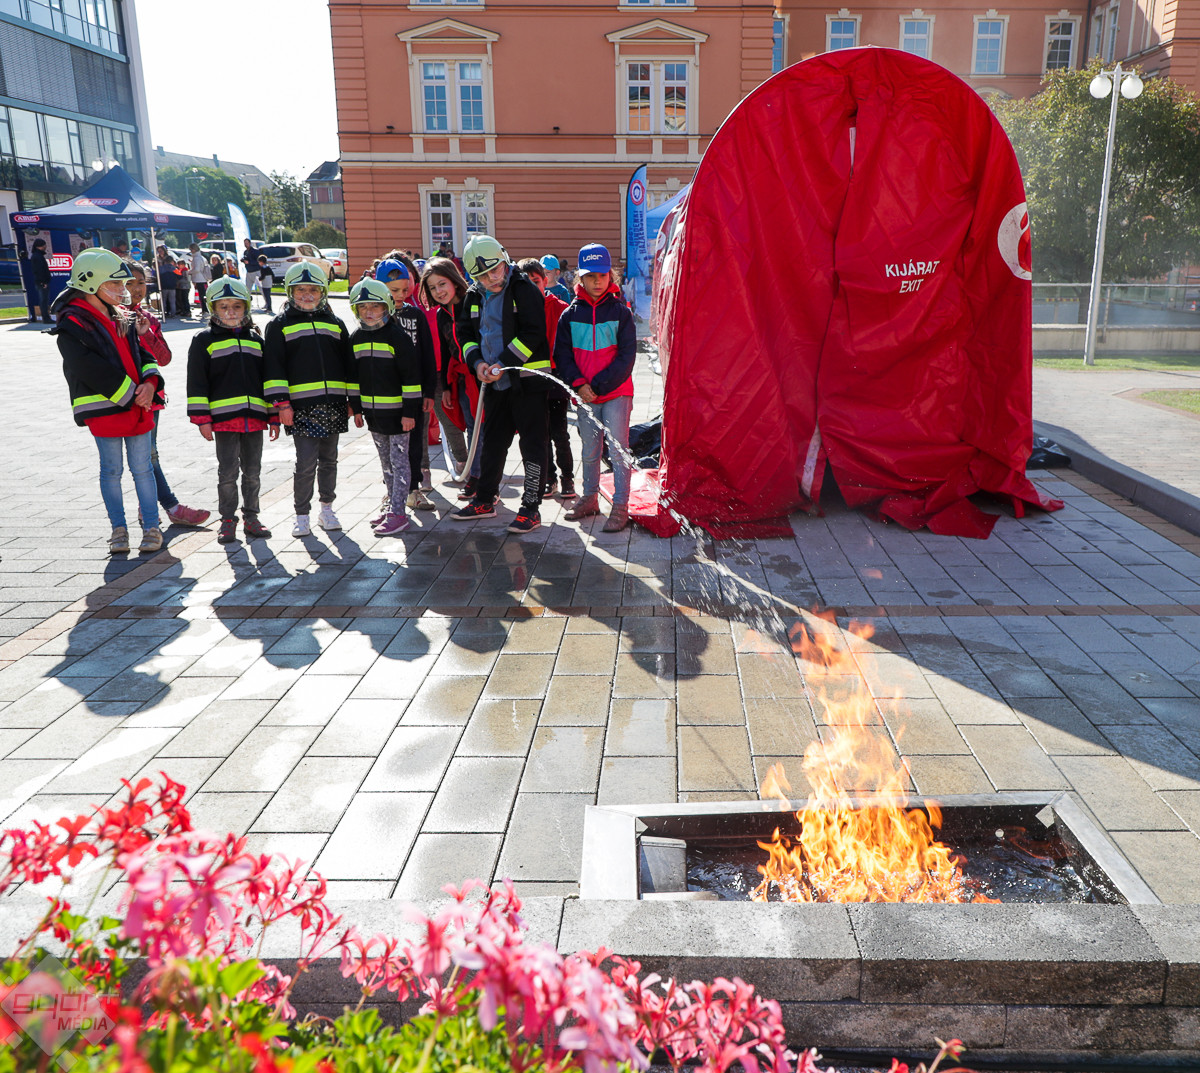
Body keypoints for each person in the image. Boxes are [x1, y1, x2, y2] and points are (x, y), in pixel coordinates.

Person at [51, 249, 164, 555]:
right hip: (106, 411)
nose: (122, 290)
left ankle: (151, 527)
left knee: (143, 469)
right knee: (111, 471)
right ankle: (119, 530)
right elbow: (89, 369)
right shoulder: (72, 324)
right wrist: (135, 394)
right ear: (91, 284)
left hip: (138, 405)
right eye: (114, 284)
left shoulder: (122, 315)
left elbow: (144, 355)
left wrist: (150, 384)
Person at [452, 234, 550, 534]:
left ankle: (531, 508)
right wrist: (477, 363)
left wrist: (502, 363)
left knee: (533, 446)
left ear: (505, 260)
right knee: (493, 442)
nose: (491, 279)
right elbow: (465, 334)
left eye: (495, 270)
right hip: (494, 384)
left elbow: (534, 333)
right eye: (482, 275)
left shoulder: (524, 289)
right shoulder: (473, 295)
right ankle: (485, 499)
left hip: (527, 382)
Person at [262, 262, 353, 537]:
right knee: (305, 463)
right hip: (300, 408)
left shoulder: (335, 323)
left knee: (329, 460)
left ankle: (327, 509)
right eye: (300, 290)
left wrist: (353, 401)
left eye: (313, 289)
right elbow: (273, 368)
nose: (307, 295)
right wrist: (282, 404)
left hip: (334, 404)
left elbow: (348, 364)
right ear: (290, 292)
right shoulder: (279, 325)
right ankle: (301, 515)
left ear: (323, 292)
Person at [187, 276, 277, 544]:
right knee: (227, 473)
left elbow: (267, 381)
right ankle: (227, 520)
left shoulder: (256, 340)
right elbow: (197, 382)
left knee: (253, 472)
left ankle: (252, 517)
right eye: (223, 307)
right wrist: (202, 419)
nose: (230, 312)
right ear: (213, 309)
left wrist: (273, 415)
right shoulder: (203, 340)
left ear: (246, 307)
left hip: (255, 419)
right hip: (224, 421)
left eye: (236, 306)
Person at [554, 243, 636, 532]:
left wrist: (598, 386)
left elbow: (627, 357)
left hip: (616, 393)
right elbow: (562, 356)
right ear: (581, 278)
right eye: (591, 276)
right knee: (590, 450)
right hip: (584, 394)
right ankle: (589, 498)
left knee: (618, 451)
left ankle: (621, 506)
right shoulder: (569, 315)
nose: (597, 281)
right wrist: (579, 385)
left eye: (602, 275)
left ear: (610, 276)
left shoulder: (621, 313)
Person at [124, 262, 212, 529]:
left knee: (148, 454)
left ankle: (151, 507)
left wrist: (146, 333)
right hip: (122, 399)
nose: (136, 289)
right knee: (137, 458)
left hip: (151, 399)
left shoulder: (148, 319)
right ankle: (166, 507)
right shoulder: (110, 319)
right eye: (129, 283)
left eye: (141, 283)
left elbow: (164, 358)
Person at [347, 278, 432, 536]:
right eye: (363, 307)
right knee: (386, 464)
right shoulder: (356, 338)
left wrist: (409, 413)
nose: (369, 312)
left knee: (399, 463)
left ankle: (399, 514)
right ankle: (391, 505)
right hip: (374, 416)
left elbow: (411, 378)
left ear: (387, 307)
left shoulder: (398, 337)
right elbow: (353, 378)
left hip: (398, 417)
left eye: (375, 306)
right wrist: (357, 408)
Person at [375, 257, 435, 510]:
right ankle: (393, 491)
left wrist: (429, 391)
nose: (400, 295)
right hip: (385, 397)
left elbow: (428, 354)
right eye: (394, 291)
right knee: (388, 447)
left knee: (414, 444)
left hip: (414, 394)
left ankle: (412, 489)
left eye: (404, 290)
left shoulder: (415, 315)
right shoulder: (373, 317)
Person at [421, 257, 480, 501]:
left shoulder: (472, 302)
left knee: (480, 426)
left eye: (442, 284)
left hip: (481, 376)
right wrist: (445, 386)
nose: (438, 291)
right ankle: (476, 476)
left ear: (455, 280)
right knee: (469, 425)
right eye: (432, 288)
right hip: (460, 379)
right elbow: (446, 352)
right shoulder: (441, 314)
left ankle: (480, 478)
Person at [517, 258, 574, 500]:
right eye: (527, 282)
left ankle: (567, 477)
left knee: (559, 432)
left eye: (536, 281)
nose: (532, 287)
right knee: (540, 433)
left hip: (555, 376)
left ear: (545, 281)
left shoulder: (560, 307)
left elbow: (569, 344)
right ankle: (549, 478)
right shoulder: (517, 310)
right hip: (530, 378)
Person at [30, 238, 52, 324]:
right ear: (39, 246)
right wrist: (43, 282)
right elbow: (39, 271)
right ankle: (46, 318)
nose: (45, 247)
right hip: (41, 282)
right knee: (43, 300)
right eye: (43, 245)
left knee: (44, 300)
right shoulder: (37, 257)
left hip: (41, 281)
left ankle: (46, 317)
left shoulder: (38, 256)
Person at [189, 243, 212, 311]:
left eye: (191, 249)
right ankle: (205, 310)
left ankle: (205, 310)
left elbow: (197, 269)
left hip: (199, 279)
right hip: (202, 278)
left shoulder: (197, 258)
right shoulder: (200, 257)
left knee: (202, 296)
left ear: (194, 249)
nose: (190, 251)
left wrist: (189, 272)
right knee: (203, 295)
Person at [155, 246, 176, 317]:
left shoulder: (162, 268)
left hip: (164, 285)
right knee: (172, 300)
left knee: (164, 300)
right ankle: (173, 313)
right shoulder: (173, 268)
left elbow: (158, 273)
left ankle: (164, 313)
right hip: (172, 286)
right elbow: (179, 275)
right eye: (159, 251)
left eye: (161, 250)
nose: (160, 252)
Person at [175, 256, 193, 320]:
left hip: (185, 287)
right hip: (181, 287)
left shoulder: (185, 271)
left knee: (185, 299)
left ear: (183, 265)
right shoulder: (181, 270)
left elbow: (187, 280)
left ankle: (187, 311)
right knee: (182, 299)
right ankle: (184, 311)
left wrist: (178, 281)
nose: (179, 266)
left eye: (180, 264)